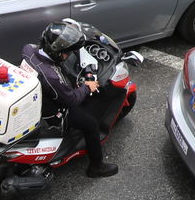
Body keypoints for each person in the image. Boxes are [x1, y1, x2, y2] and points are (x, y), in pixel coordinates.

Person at [21, 19, 121, 178]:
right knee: (92, 124)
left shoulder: (29, 49)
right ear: (55, 51)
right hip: (53, 113)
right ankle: (96, 166)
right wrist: (87, 86)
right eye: (66, 53)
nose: (67, 56)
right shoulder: (52, 78)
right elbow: (71, 99)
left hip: (35, 98)